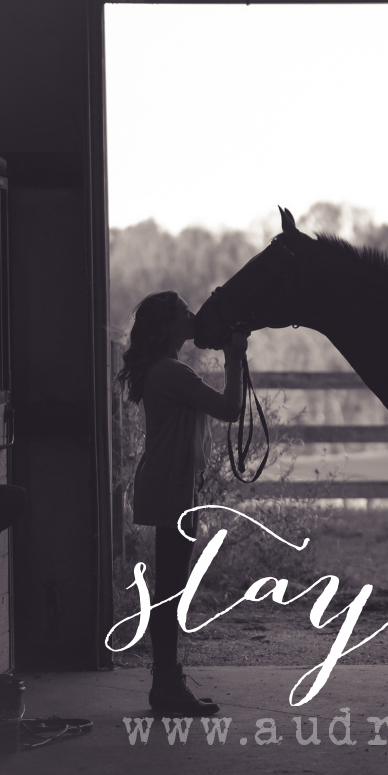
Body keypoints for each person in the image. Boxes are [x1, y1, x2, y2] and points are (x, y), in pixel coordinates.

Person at [115, 290, 247, 715]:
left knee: (170, 587)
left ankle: (167, 683)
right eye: (186, 312)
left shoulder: (162, 370)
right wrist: (235, 357)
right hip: (172, 488)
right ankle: (167, 686)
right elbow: (230, 408)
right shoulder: (172, 372)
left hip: (170, 484)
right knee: (171, 590)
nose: (193, 316)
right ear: (171, 325)